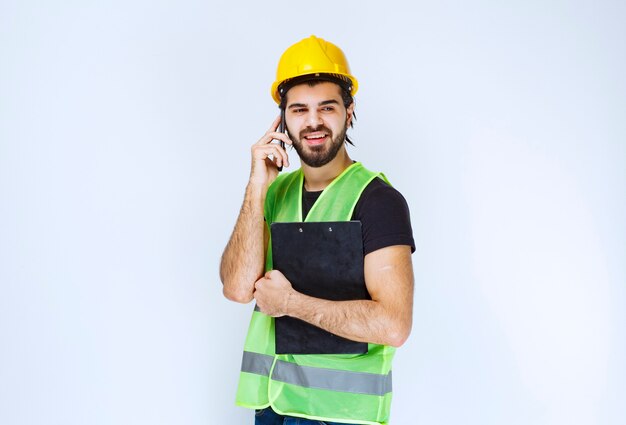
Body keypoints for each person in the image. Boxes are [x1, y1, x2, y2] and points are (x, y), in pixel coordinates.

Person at [220, 35, 415, 425]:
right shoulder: (274, 193)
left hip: (339, 417)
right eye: (299, 110)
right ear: (282, 119)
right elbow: (237, 288)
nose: (313, 122)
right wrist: (257, 185)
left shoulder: (378, 201)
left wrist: (290, 304)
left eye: (327, 107)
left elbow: (394, 325)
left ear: (349, 110)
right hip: (272, 408)